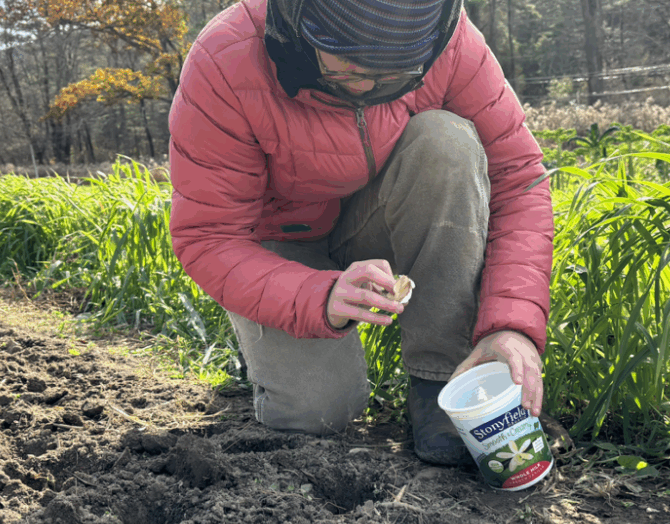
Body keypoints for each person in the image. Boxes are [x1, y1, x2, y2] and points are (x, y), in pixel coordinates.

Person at [168, 0, 553, 465]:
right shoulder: (226, 59)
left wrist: (513, 328)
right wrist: (316, 296)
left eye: (393, 74)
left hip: (375, 215)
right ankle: (270, 359)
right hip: (281, 246)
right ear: (300, 22)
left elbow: (519, 178)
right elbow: (210, 237)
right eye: (349, 66)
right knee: (320, 411)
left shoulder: (446, 39)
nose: (369, 84)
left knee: (445, 143)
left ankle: (441, 379)